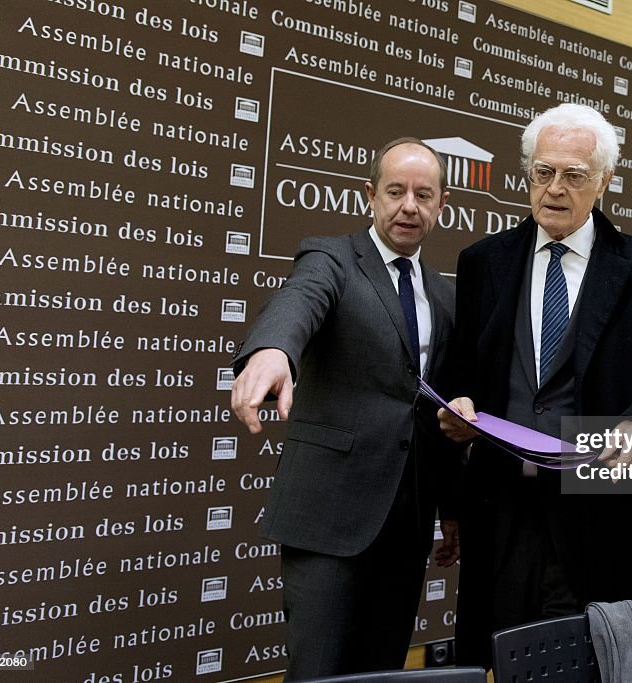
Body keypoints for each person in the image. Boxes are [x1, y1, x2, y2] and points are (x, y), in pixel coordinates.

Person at [438, 103, 632, 668]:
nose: (554, 189)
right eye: (543, 173)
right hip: (504, 512)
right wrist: (458, 406)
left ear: (605, 181)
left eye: (573, 175)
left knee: (597, 665)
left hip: (605, 515)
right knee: (501, 659)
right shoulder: (482, 263)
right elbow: (464, 370)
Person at [231, 138, 460, 680]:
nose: (409, 206)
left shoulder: (444, 296)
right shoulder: (331, 257)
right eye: (396, 191)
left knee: (380, 669)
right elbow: (299, 302)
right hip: (328, 515)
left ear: (441, 205)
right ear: (370, 195)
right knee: (319, 671)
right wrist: (273, 349)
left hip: (406, 522)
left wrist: (450, 508)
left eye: (424, 195)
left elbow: (438, 412)